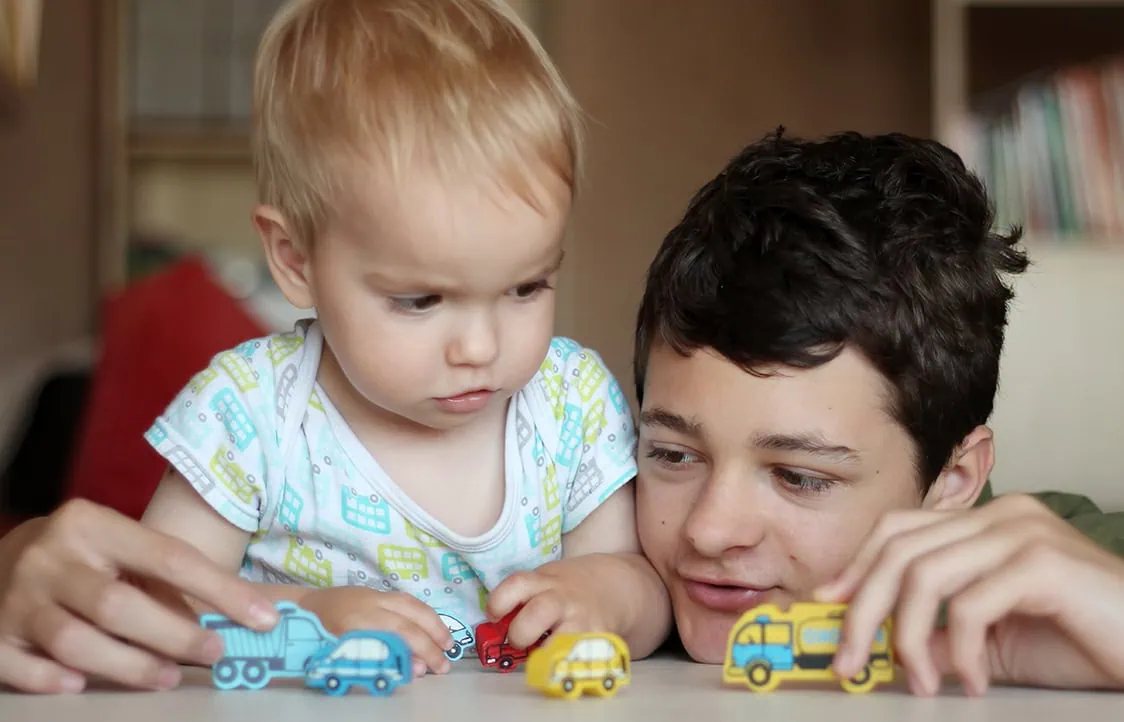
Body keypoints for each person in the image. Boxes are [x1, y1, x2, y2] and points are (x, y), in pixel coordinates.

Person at [0, 0, 670, 694]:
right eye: (421, 300)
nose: (480, 345)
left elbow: (644, 589)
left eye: (527, 287)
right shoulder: (250, 414)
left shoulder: (572, 404)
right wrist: (308, 615)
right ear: (295, 261)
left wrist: (601, 597)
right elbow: (165, 601)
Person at [632, 128, 1124, 695]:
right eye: (671, 454)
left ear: (953, 478)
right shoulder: (577, 527)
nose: (710, 532)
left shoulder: (1078, 579)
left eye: (800, 476)